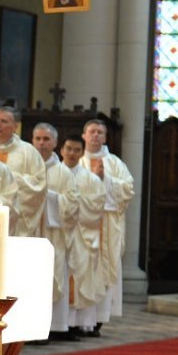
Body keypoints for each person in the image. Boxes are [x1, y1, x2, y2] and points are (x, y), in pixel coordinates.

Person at [80, 119, 134, 322]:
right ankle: (82, 320)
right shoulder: (76, 161)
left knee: (105, 268)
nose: (95, 136)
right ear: (84, 135)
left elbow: (128, 189)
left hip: (108, 225)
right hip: (83, 226)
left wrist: (106, 180)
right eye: (92, 131)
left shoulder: (115, 163)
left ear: (105, 137)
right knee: (83, 268)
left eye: (100, 133)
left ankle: (100, 318)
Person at [31, 123, 79, 342]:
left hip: (53, 235)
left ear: (55, 143)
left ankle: (53, 327)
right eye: (38, 138)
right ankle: (29, 327)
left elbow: (72, 204)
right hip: (28, 233)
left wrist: (48, 197)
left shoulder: (63, 173)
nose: (42, 143)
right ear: (32, 140)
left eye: (46, 139)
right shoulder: (27, 167)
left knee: (53, 276)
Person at [60, 135, 108, 335]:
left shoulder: (91, 179)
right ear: (61, 150)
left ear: (81, 153)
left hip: (81, 234)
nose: (71, 153)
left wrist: (72, 204)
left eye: (76, 150)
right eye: (68, 149)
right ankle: (59, 323)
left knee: (80, 275)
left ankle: (77, 324)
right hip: (58, 233)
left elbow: (97, 205)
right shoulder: (53, 174)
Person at [0, 106, 47, 237]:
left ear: (15, 126)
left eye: (4, 121)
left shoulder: (29, 151)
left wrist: (13, 179)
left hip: (17, 220)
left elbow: (40, 185)